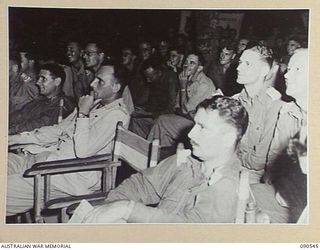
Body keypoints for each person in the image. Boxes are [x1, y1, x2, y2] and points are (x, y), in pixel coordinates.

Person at [76, 96, 249, 223]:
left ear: (228, 138)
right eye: (195, 124)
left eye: (202, 128)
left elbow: (192, 235)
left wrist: (128, 209)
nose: (191, 133)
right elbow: (141, 184)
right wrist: (112, 206)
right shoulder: (187, 162)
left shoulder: (229, 186)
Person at [6, 65, 130, 216]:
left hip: (63, 176)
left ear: (116, 87)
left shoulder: (117, 115)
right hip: (43, 159)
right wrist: (16, 138)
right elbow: (58, 130)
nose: (92, 84)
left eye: (100, 81)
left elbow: (83, 151)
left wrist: (83, 114)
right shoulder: (96, 104)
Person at [251, 48, 308, 223]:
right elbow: (273, 159)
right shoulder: (287, 112)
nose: (287, 75)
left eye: (298, 69)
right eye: (289, 69)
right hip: (283, 196)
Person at [234, 45, 293, 183]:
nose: (239, 68)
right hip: (232, 164)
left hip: (254, 174)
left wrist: (234, 157)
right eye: (240, 62)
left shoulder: (275, 104)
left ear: (264, 71)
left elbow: (259, 161)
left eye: (247, 64)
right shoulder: (236, 100)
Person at [147, 53, 215, 147]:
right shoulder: (186, 77)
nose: (187, 65)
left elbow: (184, 110)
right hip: (186, 118)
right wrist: (183, 110)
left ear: (199, 68)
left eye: (192, 63)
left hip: (198, 126)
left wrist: (183, 87)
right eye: (186, 62)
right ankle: (158, 155)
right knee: (162, 126)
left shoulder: (204, 84)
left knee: (162, 121)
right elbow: (177, 106)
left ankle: (147, 152)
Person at [9, 63, 76, 135]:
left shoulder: (62, 104)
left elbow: (37, 125)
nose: (38, 82)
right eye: (39, 78)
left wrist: (10, 130)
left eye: (43, 79)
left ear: (57, 82)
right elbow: (19, 114)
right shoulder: (40, 100)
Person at [129, 57, 178, 138]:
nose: (148, 80)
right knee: (134, 120)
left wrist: (146, 114)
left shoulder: (171, 79)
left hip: (164, 118)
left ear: (159, 72)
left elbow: (172, 109)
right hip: (153, 114)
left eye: (150, 78)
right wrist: (136, 107)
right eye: (146, 78)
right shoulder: (153, 79)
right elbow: (144, 98)